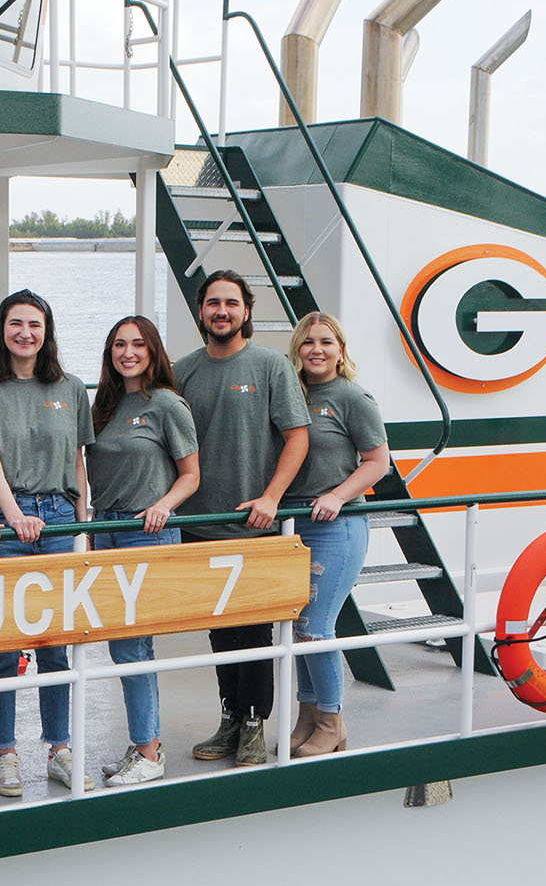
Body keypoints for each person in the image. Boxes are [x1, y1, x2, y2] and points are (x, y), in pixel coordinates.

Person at [174, 270, 309, 767]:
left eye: (231, 303)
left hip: (256, 525)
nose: (222, 311)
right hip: (198, 523)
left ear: (246, 311)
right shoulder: (182, 371)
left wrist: (271, 497)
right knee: (219, 631)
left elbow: (297, 436)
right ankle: (230, 717)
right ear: (202, 311)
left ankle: (255, 723)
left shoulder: (272, 367)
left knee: (254, 631)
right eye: (213, 303)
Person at [0, 288, 95, 796]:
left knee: (56, 645)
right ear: (2, 330)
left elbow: (78, 461)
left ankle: (60, 748)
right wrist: (15, 516)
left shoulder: (71, 386)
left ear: (48, 332)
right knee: (3, 646)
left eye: (35, 325)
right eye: (15, 323)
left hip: (61, 519)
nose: (25, 333)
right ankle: (5, 752)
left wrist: (82, 522)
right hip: (8, 521)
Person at [86, 316, 199, 786]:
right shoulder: (105, 406)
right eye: (119, 344)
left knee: (133, 648)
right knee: (126, 647)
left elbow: (191, 475)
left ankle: (149, 752)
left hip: (144, 533)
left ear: (153, 350)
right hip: (105, 530)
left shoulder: (168, 405)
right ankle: (144, 744)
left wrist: (162, 506)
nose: (127, 352)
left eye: (137, 344)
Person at [284, 312, 390, 757]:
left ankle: (331, 718)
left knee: (317, 626)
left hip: (338, 527)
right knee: (297, 624)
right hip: (295, 525)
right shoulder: (292, 396)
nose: (317, 350)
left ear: (340, 349)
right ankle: (309, 718)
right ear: (297, 350)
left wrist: (338, 496)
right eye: (308, 343)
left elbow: (377, 461)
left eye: (326, 342)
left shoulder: (352, 398)